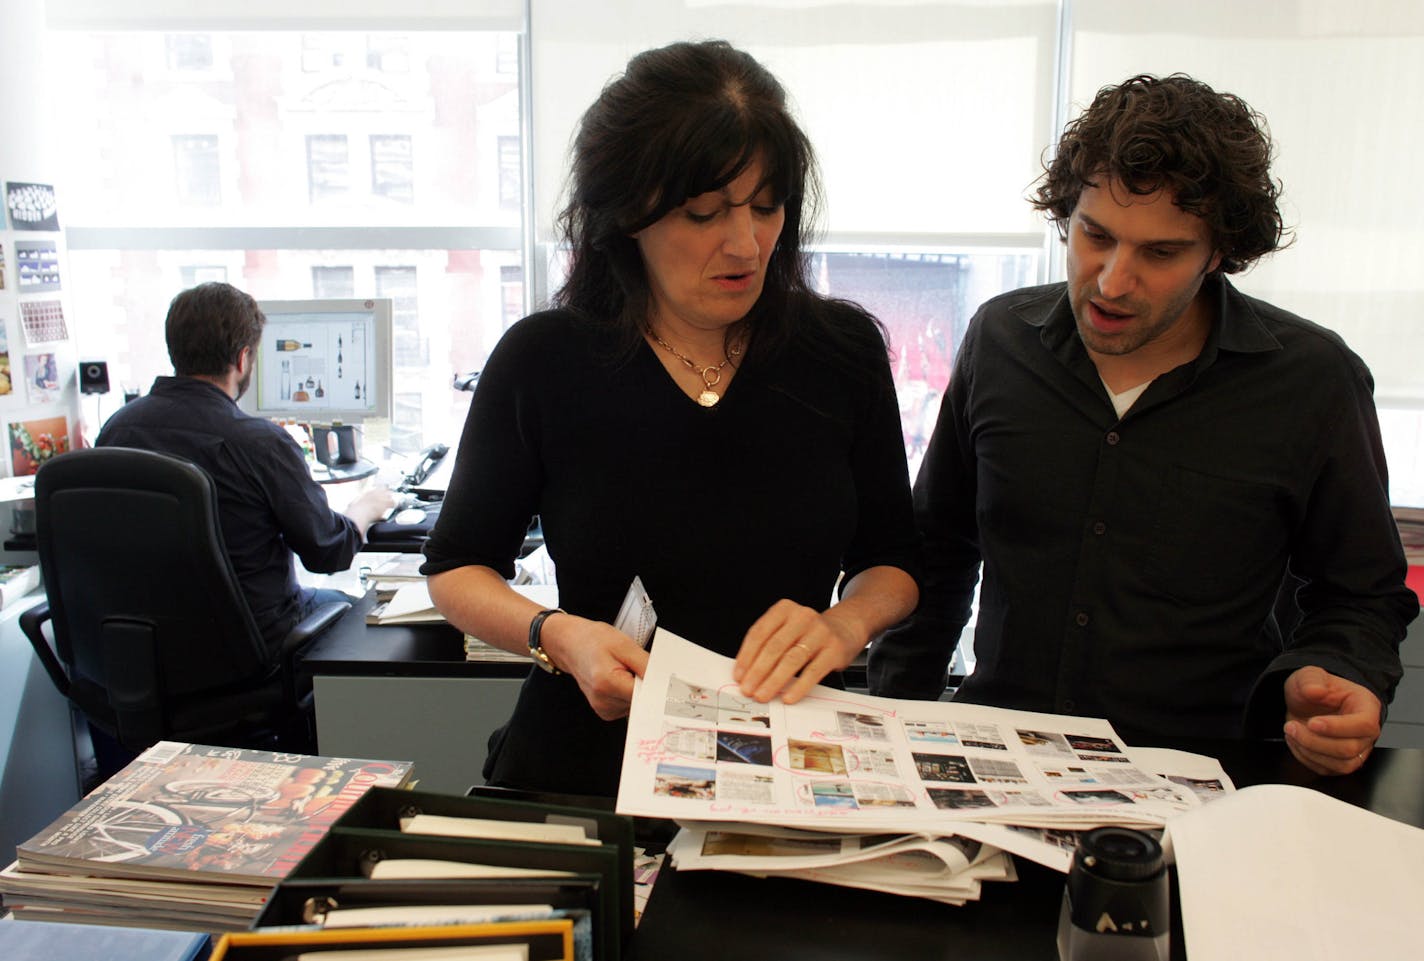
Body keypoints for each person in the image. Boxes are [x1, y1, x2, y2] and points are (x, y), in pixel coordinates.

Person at [867, 74, 1418, 776]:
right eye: (1095, 235)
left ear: (1219, 252)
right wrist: (894, 724)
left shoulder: (1313, 382)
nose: (1112, 280)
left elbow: (1362, 592)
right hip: (995, 760)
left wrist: (1341, 672)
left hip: (1201, 779)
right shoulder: (999, 339)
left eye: (1161, 253)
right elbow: (938, 552)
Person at [423, 40, 920, 797]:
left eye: (767, 205)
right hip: (591, 761)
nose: (747, 243)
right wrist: (557, 635)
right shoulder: (546, 359)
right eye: (703, 212)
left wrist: (842, 626)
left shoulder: (840, 352)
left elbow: (893, 563)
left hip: (786, 760)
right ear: (627, 214)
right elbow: (456, 568)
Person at [97, 281, 396, 658]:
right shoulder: (258, 442)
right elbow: (328, 554)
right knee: (359, 612)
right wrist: (362, 511)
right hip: (246, 649)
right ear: (242, 359)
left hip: (142, 649)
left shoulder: (117, 428)